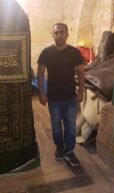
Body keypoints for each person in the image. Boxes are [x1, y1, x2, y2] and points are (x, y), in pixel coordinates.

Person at [37, 23, 85, 167]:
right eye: (56, 33)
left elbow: (81, 72)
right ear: (52, 35)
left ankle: (69, 152)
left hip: (70, 97)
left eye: (62, 32)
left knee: (70, 127)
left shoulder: (75, 52)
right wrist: (41, 93)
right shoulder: (46, 52)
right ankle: (59, 149)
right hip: (53, 99)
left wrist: (81, 92)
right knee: (56, 127)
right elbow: (40, 74)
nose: (59, 35)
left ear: (67, 34)